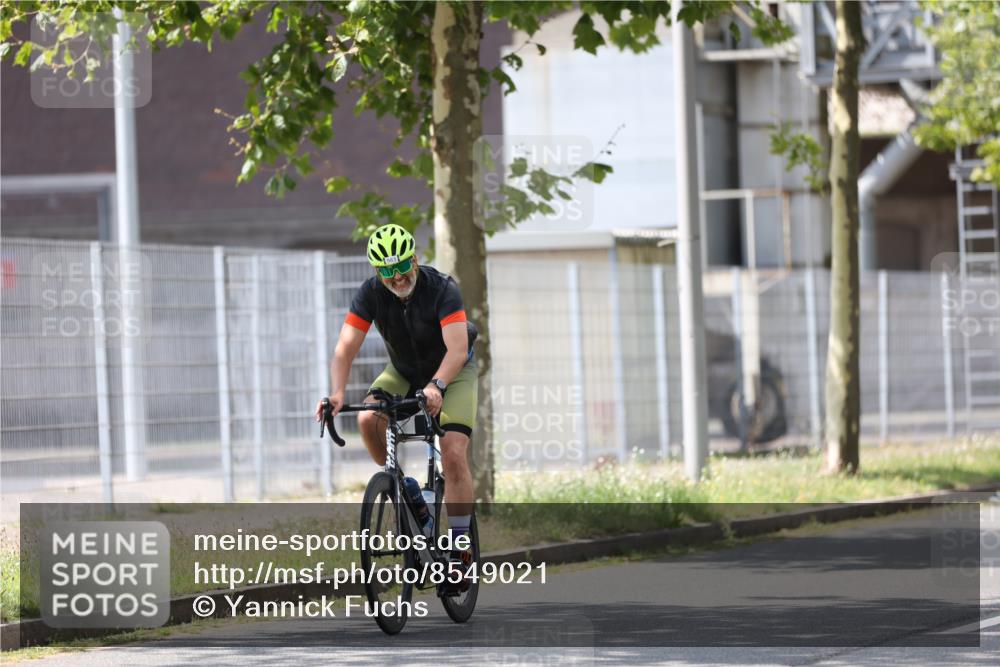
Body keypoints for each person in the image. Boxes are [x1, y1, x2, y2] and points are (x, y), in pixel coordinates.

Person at [314, 223, 476, 563]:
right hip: (404, 370)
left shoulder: (443, 289)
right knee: (367, 419)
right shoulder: (370, 293)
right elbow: (344, 349)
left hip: (453, 371)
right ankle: (400, 485)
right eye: (388, 271)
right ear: (377, 271)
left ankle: (461, 544)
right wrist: (338, 393)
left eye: (402, 266)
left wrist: (437, 386)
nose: (397, 277)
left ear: (414, 260)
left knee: (453, 452)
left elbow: (458, 350)